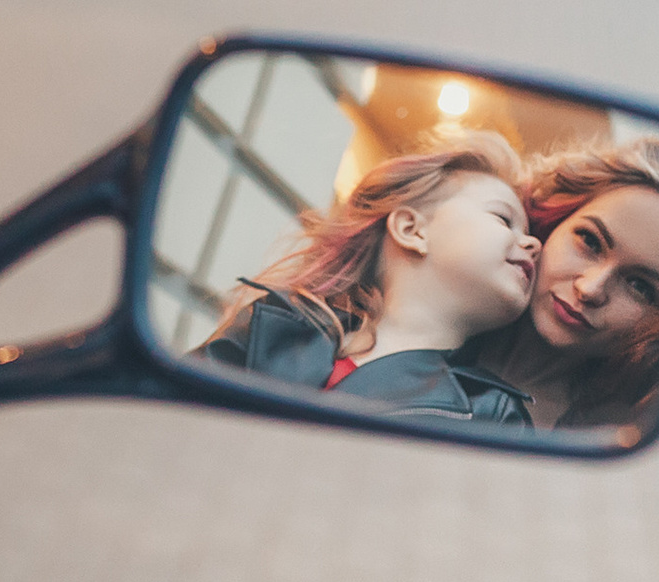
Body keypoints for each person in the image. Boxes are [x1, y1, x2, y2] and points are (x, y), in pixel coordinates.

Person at [194, 136, 540, 423]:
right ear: (412, 229)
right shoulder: (280, 324)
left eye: (529, 233)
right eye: (502, 218)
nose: (533, 244)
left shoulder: (490, 413)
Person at [462, 137, 659, 431]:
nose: (590, 289)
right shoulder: (420, 309)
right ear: (555, 219)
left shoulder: (614, 436)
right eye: (590, 241)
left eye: (639, 287)